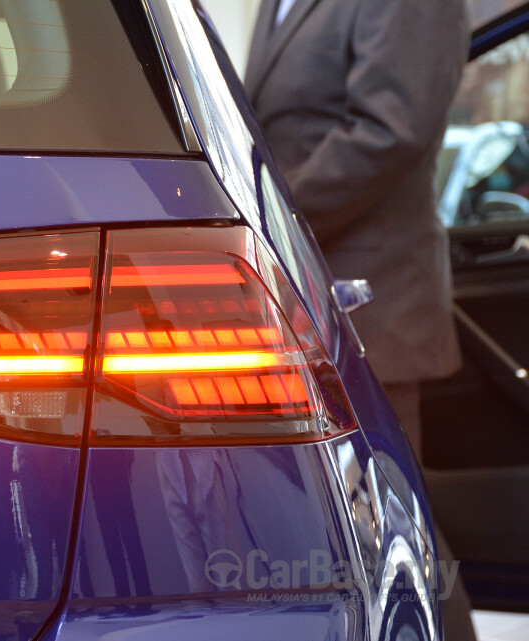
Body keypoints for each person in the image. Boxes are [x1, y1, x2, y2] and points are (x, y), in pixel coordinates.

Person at [244, 1, 474, 639]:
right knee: (337, 546)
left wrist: (267, 215)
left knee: (395, 550)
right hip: (300, 305)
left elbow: (391, 128)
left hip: (373, 317)